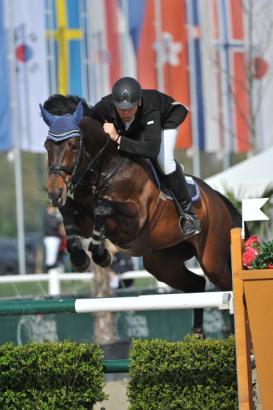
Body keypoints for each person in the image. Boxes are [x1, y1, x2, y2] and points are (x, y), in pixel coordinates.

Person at [91, 76, 200, 239]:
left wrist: (118, 138)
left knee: (164, 161)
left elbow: (151, 149)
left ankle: (188, 215)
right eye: (121, 109)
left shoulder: (150, 109)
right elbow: (87, 118)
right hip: (139, 128)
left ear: (139, 103)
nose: (126, 113)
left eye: (130, 108)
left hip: (166, 120)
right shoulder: (105, 106)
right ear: (114, 104)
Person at [43, 204, 63, 272]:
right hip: (51, 238)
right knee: (51, 257)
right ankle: (49, 271)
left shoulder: (51, 216)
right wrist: (59, 217)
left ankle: (51, 271)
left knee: (53, 257)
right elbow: (54, 225)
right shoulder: (48, 216)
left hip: (54, 238)